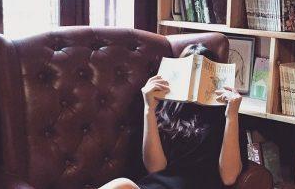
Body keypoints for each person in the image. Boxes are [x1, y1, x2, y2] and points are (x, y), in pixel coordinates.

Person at [100, 44, 244, 189]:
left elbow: (229, 177)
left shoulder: (226, 115)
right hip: (158, 185)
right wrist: (149, 109)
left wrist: (231, 116)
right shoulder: (164, 109)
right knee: (122, 185)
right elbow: (156, 168)